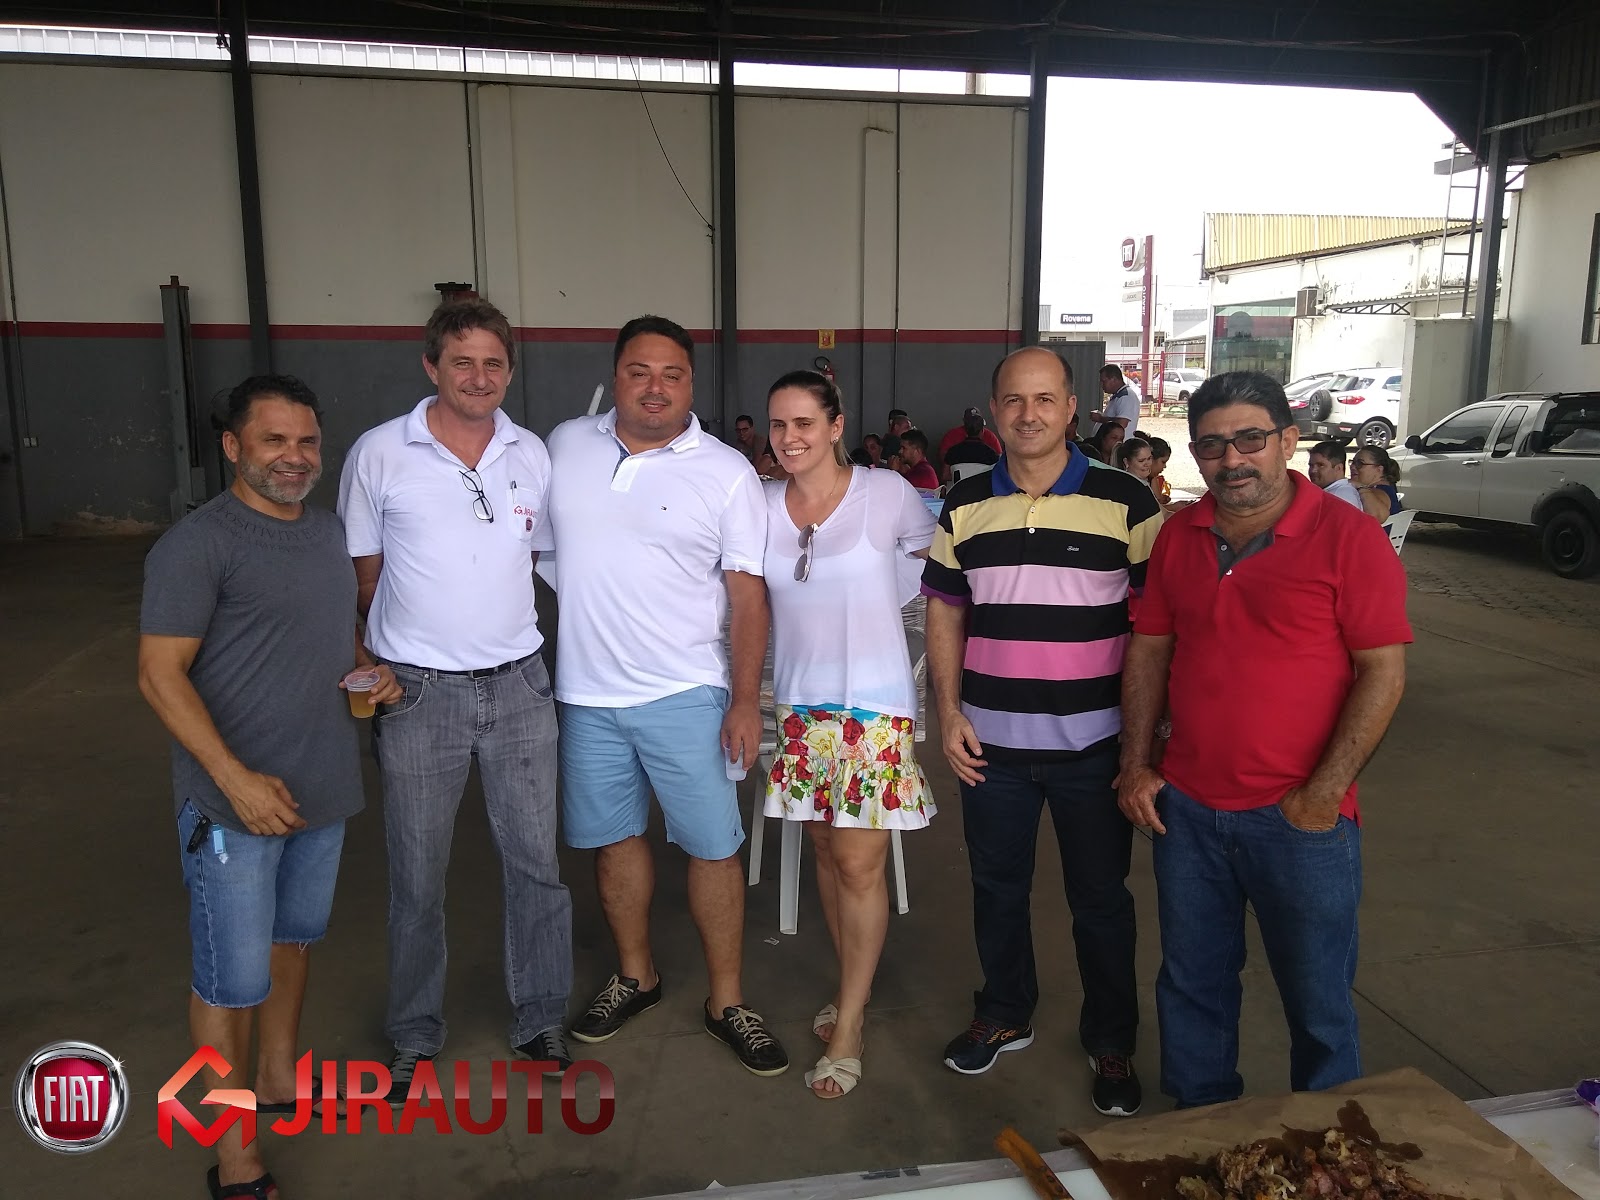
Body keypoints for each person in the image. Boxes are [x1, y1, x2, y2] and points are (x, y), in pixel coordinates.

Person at [1117, 371, 1411, 1110]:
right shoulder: (1180, 533)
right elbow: (1150, 650)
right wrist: (1136, 765)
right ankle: (1201, 1132)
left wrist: (1321, 796)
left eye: (1250, 439)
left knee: (1318, 1004)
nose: (1232, 459)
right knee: (1193, 989)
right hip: (1187, 812)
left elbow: (1382, 673)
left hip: (1301, 821)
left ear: (1288, 441)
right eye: (1212, 445)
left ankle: (1328, 1148)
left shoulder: (1349, 538)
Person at [140, 375, 399, 1200]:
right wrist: (235, 781)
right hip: (233, 807)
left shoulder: (325, 534)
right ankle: (236, 1155)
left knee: (294, 943)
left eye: (307, 441)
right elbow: (158, 675)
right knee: (230, 983)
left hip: (320, 789)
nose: (295, 457)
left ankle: (280, 1081)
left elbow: (332, 630)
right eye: (273, 440)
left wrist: (370, 667)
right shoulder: (196, 546)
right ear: (233, 447)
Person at [339, 298, 573, 1100]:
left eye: (493, 363)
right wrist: (375, 667)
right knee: (416, 877)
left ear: (510, 370)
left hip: (520, 687)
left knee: (537, 865)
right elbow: (362, 581)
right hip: (418, 696)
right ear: (431, 366)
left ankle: (540, 1016)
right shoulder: (380, 453)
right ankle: (414, 1030)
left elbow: (536, 559)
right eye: (463, 361)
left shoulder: (530, 452)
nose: (479, 377)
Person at [922, 346, 1163, 1117]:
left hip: (1095, 750)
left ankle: (1111, 1040)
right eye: (1014, 400)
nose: (1029, 415)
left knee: (1101, 901)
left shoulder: (1128, 501)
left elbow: (1158, 626)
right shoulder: (963, 505)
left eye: (1045, 399)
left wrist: (1143, 744)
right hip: (991, 748)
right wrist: (948, 713)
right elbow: (945, 612)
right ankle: (1005, 1012)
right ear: (994, 410)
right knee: (997, 889)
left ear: (1071, 408)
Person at [548, 314, 787, 1077]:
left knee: (713, 848)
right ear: (615, 376)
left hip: (686, 692)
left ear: (690, 383)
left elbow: (747, 596)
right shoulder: (565, 446)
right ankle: (636, 976)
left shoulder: (725, 472)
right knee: (614, 840)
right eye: (640, 372)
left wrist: (743, 699)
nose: (655, 388)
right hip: (587, 696)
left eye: (672, 374)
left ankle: (727, 1002)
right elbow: (539, 550)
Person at [761, 369, 938, 1099]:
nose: (790, 437)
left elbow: (935, 567)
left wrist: (880, 605)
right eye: (778, 424)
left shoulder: (886, 492)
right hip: (800, 707)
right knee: (829, 857)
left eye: (805, 422)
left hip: (872, 707)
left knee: (860, 866)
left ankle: (852, 1023)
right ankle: (850, 988)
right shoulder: (761, 504)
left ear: (836, 426)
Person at [941, 408, 1002, 484]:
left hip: (958, 490)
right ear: (982, 431)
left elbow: (945, 476)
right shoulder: (991, 454)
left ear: (965, 429)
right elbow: (998, 475)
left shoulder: (952, 451)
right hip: (982, 490)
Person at [1086, 364, 1141, 439]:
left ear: (1114, 379)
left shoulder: (1126, 396)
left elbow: (1122, 423)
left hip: (1118, 444)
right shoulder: (1119, 395)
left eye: (1104, 381)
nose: (1101, 385)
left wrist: (1100, 418)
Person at [1307, 440, 1364, 509]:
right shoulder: (1335, 492)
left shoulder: (1341, 495)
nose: (1313, 470)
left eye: (1320, 465)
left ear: (1338, 468)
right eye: (1311, 465)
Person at [1351, 447, 1403, 521]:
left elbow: (1376, 515)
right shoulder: (1387, 488)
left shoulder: (1378, 492)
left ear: (1379, 469)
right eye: (1353, 462)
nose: (1352, 467)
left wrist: (1361, 487)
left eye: (1360, 463)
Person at [938, 406, 1003, 464]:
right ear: (964, 421)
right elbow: (944, 459)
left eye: (976, 421)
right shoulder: (952, 435)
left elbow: (999, 459)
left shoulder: (990, 436)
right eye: (970, 421)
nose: (973, 425)